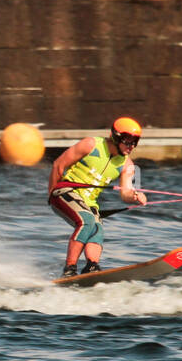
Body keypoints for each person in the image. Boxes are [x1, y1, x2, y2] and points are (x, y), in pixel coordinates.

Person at [47, 117, 148, 278]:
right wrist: (51, 193)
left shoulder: (127, 165)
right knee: (86, 220)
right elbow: (58, 164)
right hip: (65, 191)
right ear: (116, 137)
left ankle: (91, 267)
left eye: (136, 142)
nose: (132, 146)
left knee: (97, 227)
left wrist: (135, 196)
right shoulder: (90, 144)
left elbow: (125, 193)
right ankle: (69, 268)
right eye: (129, 142)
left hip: (88, 203)